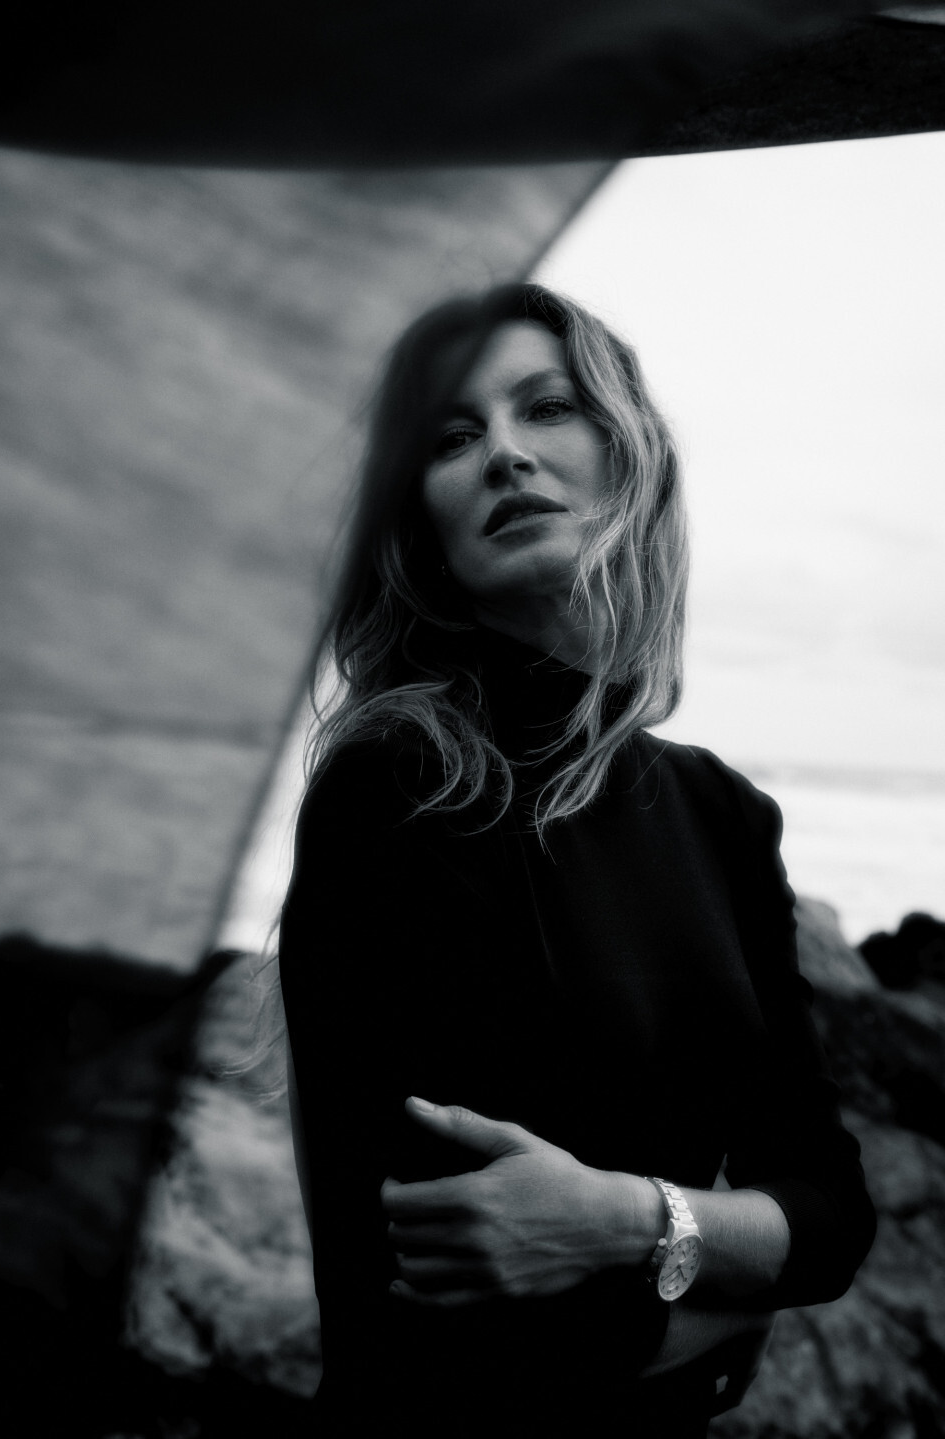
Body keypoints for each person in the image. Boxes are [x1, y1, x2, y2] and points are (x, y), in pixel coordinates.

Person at [278, 282, 876, 1437]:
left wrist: (628, 1220)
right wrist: (734, 1294)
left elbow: (834, 1214)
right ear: (422, 526)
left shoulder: (722, 812)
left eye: (545, 407)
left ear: (626, 452)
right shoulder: (396, 786)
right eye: (452, 438)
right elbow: (409, 1308)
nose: (505, 453)